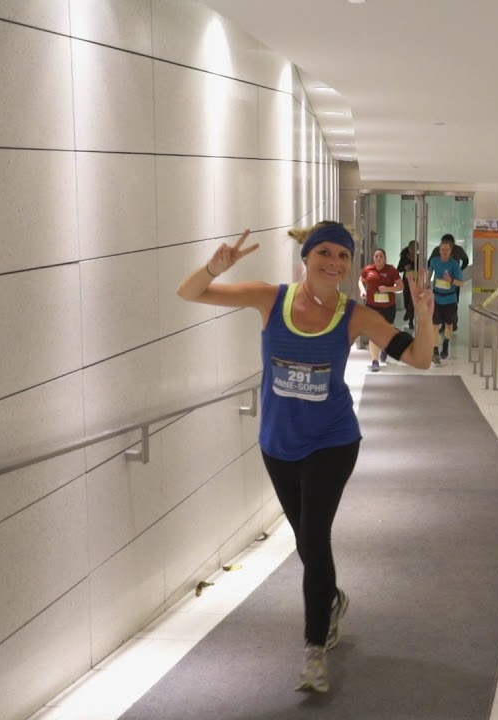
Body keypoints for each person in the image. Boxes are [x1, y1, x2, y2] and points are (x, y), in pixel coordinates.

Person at [175, 222, 435, 693]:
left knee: (315, 538)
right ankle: (332, 598)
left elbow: (419, 358)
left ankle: (315, 650)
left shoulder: (353, 315)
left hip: (333, 441)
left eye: (342, 256)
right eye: (325, 254)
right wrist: (216, 267)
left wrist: (424, 315)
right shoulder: (268, 298)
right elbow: (190, 293)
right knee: (305, 541)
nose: (334, 263)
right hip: (278, 442)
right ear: (307, 257)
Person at [360, 248, 404, 372]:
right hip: (372, 306)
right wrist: (362, 290)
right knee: (374, 333)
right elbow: (360, 280)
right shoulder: (368, 270)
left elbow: (401, 286)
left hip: (388, 307)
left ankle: (384, 348)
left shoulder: (391, 271)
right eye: (376, 256)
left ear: (385, 258)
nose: (378, 258)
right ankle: (375, 360)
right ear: (374, 258)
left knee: (386, 332)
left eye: (381, 256)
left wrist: (388, 289)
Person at [429, 235, 464, 364]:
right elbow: (429, 273)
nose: (444, 252)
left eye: (447, 250)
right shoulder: (434, 261)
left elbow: (461, 283)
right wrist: (427, 283)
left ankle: (446, 344)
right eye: (442, 249)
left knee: (449, 325)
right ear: (439, 250)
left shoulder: (454, 265)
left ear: (450, 250)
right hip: (437, 298)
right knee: (434, 325)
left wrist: (451, 280)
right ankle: (435, 351)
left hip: (450, 299)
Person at [397, 240, 418, 330]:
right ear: (409, 249)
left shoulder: (419, 257)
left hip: (415, 282)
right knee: (406, 300)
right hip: (406, 281)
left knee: (412, 302)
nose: (413, 250)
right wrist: (405, 267)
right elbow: (398, 269)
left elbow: (426, 267)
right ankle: (407, 310)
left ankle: (410, 321)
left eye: (415, 248)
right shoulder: (404, 258)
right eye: (412, 248)